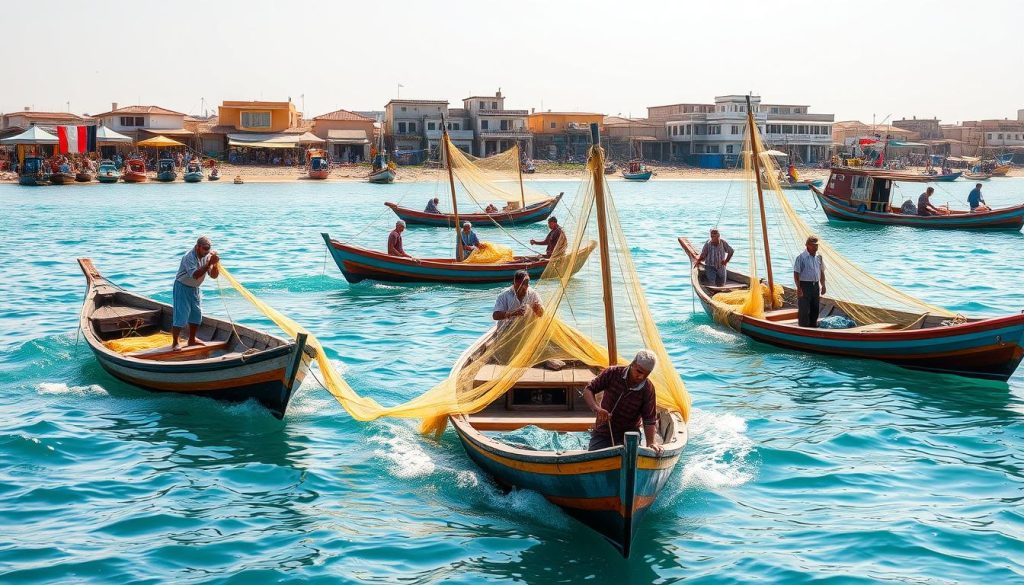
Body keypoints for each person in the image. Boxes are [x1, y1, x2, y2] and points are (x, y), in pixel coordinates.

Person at [582, 349, 662, 454]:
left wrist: (651, 443)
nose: (641, 377)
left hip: (630, 434)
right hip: (604, 430)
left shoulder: (648, 389)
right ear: (632, 364)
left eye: (646, 375)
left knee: (630, 457)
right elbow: (588, 390)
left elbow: (649, 420)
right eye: (639, 371)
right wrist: (597, 409)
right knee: (594, 456)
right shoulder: (612, 373)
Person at [171, 236, 220, 349]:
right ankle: (175, 342)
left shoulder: (207, 256)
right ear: (198, 247)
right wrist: (208, 264)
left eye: (209, 248)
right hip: (182, 287)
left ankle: (192, 340)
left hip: (195, 289)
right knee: (181, 316)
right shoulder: (189, 257)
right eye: (205, 248)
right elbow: (195, 275)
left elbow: (213, 276)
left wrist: (215, 264)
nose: (207, 251)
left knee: (196, 315)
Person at [492, 270, 543, 336]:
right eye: (521, 285)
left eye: (526, 284)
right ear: (514, 283)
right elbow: (495, 316)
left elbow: (541, 314)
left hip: (527, 331)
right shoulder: (504, 295)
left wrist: (538, 310)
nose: (524, 287)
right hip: (507, 332)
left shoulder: (533, 294)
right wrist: (512, 313)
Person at [793, 236, 826, 328]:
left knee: (815, 308)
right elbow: (796, 274)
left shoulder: (819, 258)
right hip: (805, 285)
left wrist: (823, 285)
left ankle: (813, 327)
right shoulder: (801, 258)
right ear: (807, 245)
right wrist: (799, 288)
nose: (816, 247)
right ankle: (803, 329)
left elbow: (822, 272)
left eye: (817, 245)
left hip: (815, 286)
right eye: (813, 245)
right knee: (804, 309)